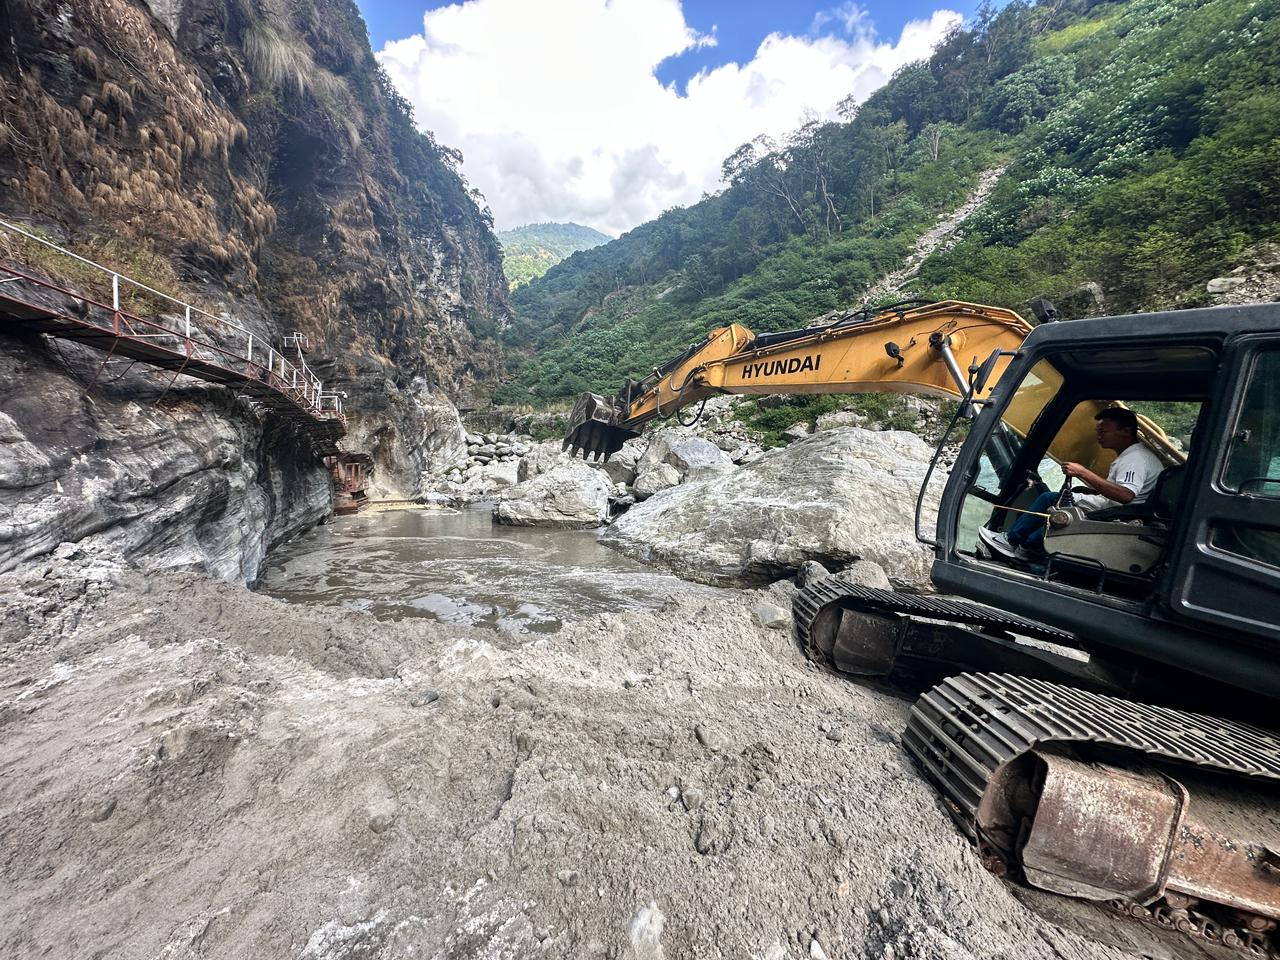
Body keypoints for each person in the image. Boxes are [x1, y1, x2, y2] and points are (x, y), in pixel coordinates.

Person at [979, 408, 1165, 560]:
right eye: (1097, 432)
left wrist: (1082, 472)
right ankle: (1024, 547)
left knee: (1050, 500)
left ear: (1125, 431)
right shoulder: (1133, 455)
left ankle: (1014, 542)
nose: (1099, 436)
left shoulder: (1135, 459)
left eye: (1103, 431)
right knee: (1054, 501)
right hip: (1112, 508)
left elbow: (1125, 495)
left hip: (1115, 514)